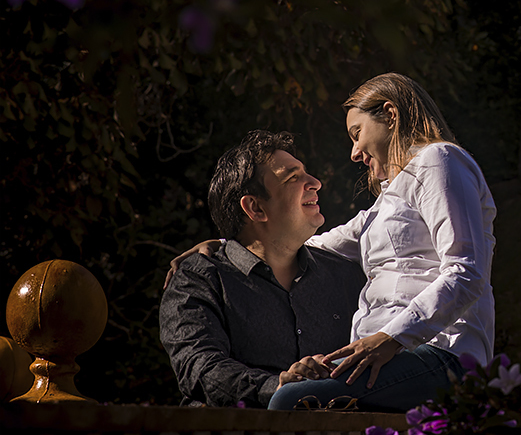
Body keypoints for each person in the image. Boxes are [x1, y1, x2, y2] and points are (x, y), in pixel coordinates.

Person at [264, 72, 497, 412]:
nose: (355, 153)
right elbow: (313, 246)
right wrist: (228, 245)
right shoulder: (385, 202)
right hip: (391, 358)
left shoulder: (439, 160)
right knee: (296, 390)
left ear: (390, 115)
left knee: (291, 402)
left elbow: (466, 270)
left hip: (444, 352)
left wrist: (391, 337)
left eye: (356, 134)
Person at [159, 131, 365, 407]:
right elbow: (199, 368)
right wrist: (279, 386)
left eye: (307, 174)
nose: (315, 183)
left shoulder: (346, 276)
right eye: (293, 178)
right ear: (255, 208)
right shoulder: (199, 278)